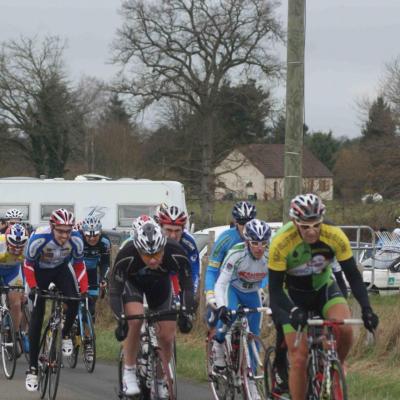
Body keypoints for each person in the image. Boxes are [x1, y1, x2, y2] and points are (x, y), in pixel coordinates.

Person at [268, 193, 379, 400]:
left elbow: (353, 276)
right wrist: (292, 310)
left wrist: (366, 308)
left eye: (316, 225)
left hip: (323, 289)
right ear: (294, 222)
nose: (312, 231)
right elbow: (274, 291)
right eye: (305, 226)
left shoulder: (334, 235)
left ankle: (336, 364)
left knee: (345, 327)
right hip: (292, 297)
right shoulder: (281, 242)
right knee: (299, 358)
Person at [109, 220, 194, 398]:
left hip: (160, 286)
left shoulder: (175, 252)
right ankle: (129, 371)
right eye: (147, 256)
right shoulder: (127, 254)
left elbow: (187, 285)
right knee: (135, 320)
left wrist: (187, 312)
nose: (154, 259)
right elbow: (115, 291)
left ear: (163, 247)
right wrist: (121, 319)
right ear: (138, 251)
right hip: (133, 285)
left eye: (157, 253)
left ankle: (161, 379)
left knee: (167, 335)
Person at [24, 208, 88, 392]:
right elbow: (27, 265)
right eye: (60, 231)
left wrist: (83, 289)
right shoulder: (39, 239)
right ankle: (33, 368)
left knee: (75, 299)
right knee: (37, 318)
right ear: (52, 227)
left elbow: (78, 264)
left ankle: (66, 333)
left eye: (68, 231)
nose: (64, 235)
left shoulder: (76, 239)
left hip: (60, 270)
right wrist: (35, 287)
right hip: (38, 273)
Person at [213, 219, 271, 400]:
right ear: (247, 242)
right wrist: (222, 306)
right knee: (228, 317)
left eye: (263, 243)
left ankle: (251, 382)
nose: (259, 248)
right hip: (234, 290)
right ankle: (218, 345)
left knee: (253, 337)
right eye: (255, 243)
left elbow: (277, 281)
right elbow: (221, 283)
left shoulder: (270, 256)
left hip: (252, 293)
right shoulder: (236, 254)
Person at [204, 201, 256, 323]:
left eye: (249, 222)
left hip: (246, 285)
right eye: (242, 223)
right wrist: (210, 292)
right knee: (216, 322)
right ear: (236, 222)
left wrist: (261, 288)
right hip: (224, 283)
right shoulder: (226, 238)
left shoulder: (260, 240)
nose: (246, 226)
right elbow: (212, 269)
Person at [0, 224, 28, 344]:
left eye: (21, 245)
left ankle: (15, 334)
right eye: (13, 244)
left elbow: (29, 267)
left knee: (17, 303)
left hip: (13, 272)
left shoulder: (28, 247)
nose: (17, 248)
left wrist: (25, 290)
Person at [80, 215, 111, 322]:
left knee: (91, 305)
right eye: (88, 235)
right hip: (76, 271)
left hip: (92, 272)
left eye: (96, 235)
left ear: (100, 232)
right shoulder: (77, 239)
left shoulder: (105, 242)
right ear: (83, 233)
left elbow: (105, 263)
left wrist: (104, 279)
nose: (92, 238)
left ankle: (87, 335)